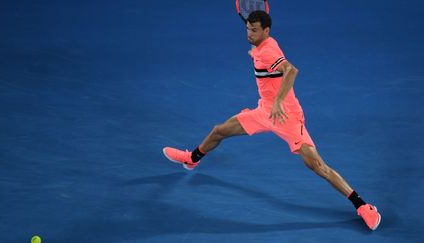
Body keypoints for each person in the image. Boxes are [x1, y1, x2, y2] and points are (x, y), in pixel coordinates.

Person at [162, 10, 381, 230]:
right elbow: (264, 60)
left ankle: (363, 206)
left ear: (266, 31)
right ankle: (192, 158)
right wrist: (255, 56)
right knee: (219, 130)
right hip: (263, 112)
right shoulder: (261, 48)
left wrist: (278, 102)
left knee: (317, 165)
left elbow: (292, 71)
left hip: (286, 116)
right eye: (248, 28)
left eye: (254, 30)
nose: (249, 33)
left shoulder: (268, 50)